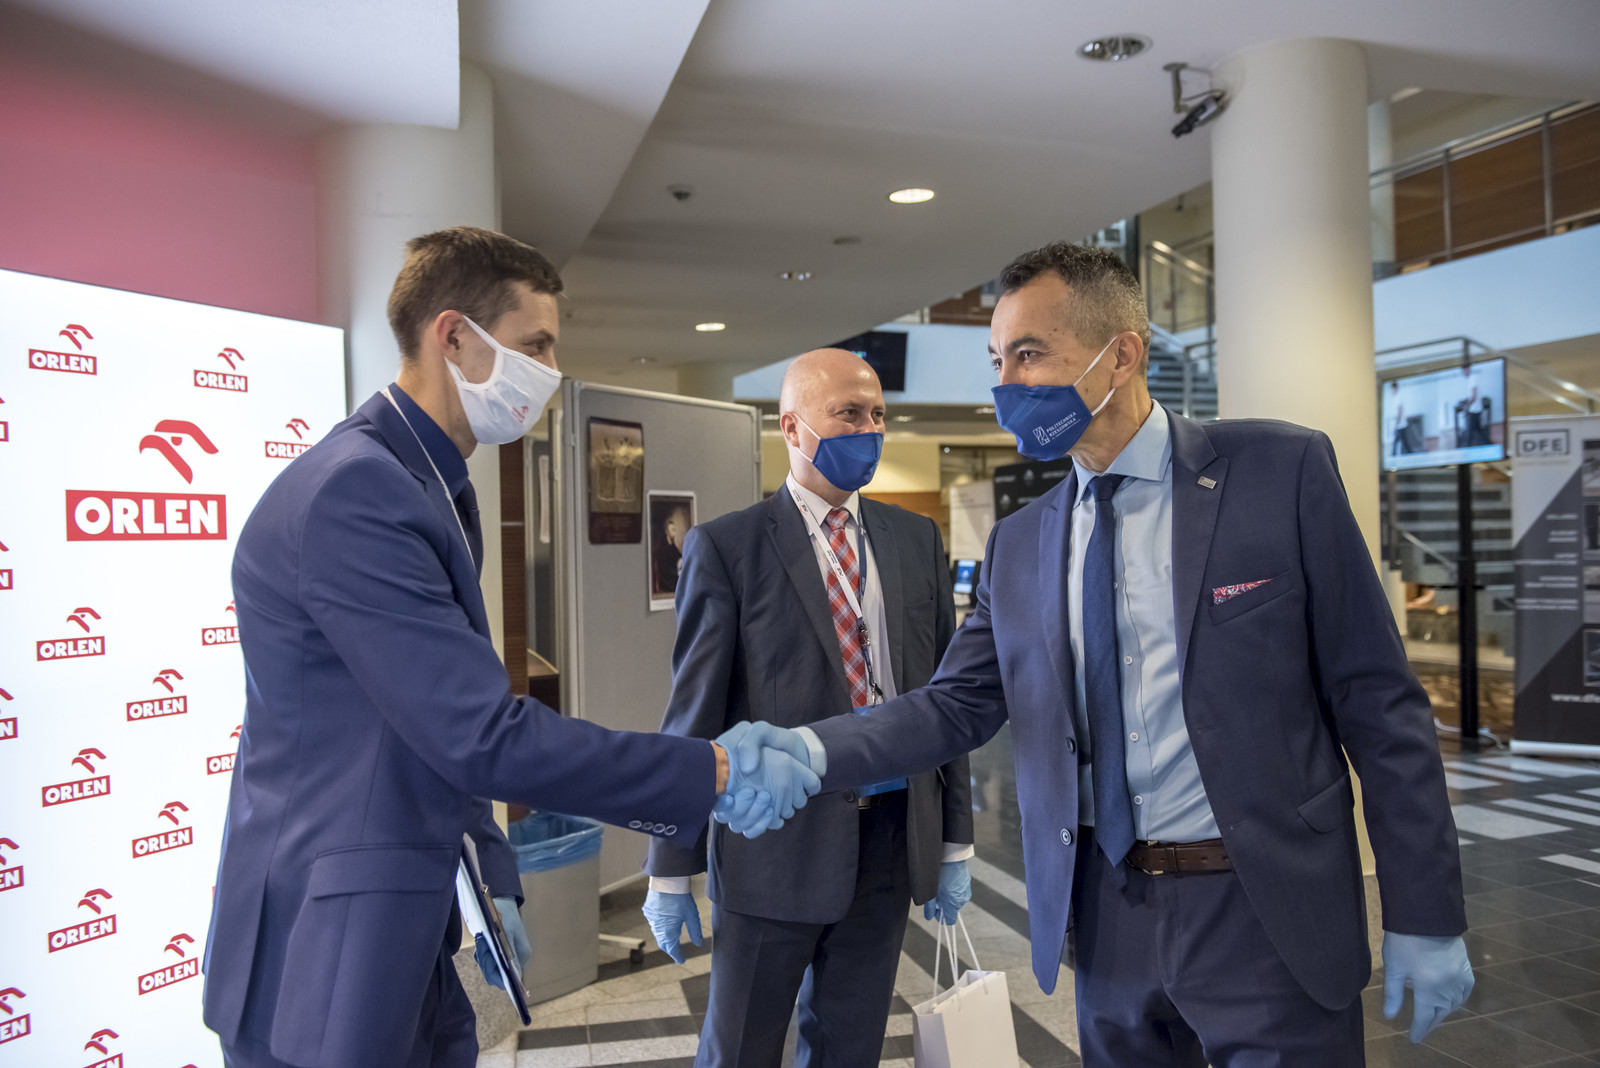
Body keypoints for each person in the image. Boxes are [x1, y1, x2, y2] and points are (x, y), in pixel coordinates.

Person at [745, 242, 1473, 1065]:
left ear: (1121, 355)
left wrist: (1426, 911)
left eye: (1029, 354)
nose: (1006, 385)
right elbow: (954, 706)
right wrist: (811, 749)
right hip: (1108, 916)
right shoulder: (1021, 544)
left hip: (1262, 908)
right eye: (997, 361)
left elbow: (1378, 703)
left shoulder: (1278, 472)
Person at [201, 226, 818, 1068]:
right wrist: (710, 771)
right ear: (453, 336)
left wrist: (491, 871)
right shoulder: (359, 493)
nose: (551, 372)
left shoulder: (426, 484)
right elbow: (477, 733)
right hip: (326, 940)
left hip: (402, 913)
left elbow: (423, 724)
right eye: (535, 345)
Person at [642, 348, 975, 1068]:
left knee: (850, 1047)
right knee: (741, 1049)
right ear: (791, 428)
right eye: (848, 414)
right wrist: (670, 867)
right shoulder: (728, 548)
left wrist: (954, 839)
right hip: (774, 848)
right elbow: (693, 715)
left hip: (890, 842)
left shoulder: (914, 539)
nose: (870, 430)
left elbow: (946, 701)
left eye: (878, 414)